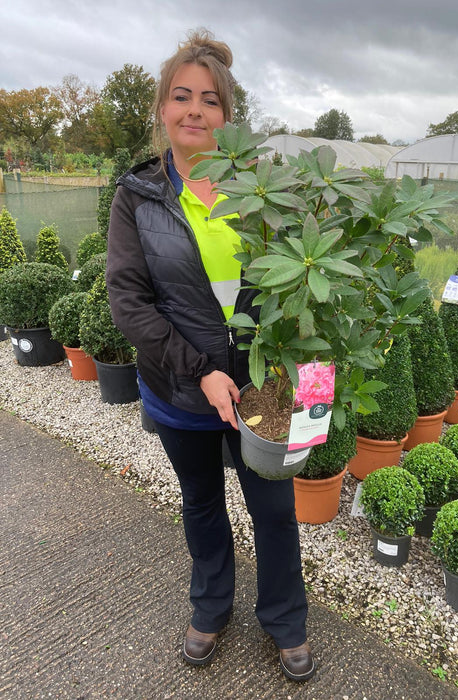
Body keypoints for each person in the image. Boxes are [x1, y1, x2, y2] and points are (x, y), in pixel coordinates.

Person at [106, 29, 315, 682]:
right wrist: (202, 370)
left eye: (209, 101)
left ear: (228, 118)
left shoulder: (265, 194)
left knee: (275, 509)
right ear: (162, 111)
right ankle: (211, 606)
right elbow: (129, 301)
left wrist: (304, 370)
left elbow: (305, 286)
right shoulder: (136, 197)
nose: (194, 110)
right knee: (200, 501)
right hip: (180, 387)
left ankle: (285, 621)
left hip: (266, 384)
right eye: (180, 97)